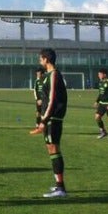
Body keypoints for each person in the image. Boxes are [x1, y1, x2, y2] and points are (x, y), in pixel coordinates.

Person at [29, 48, 69, 198]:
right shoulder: (47, 76)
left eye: (41, 58)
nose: (40, 61)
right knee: (52, 150)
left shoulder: (54, 75)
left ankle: (61, 188)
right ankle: (59, 185)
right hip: (49, 118)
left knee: (54, 149)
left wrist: (44, 120)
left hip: (53, 119)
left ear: (46, 59)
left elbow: (52, 100)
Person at [94, 69, 108, 140]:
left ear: (104, 74)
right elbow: (100, 93)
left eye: (100, 74)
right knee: (97, 117)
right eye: (98, 74)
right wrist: (97, 101)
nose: (99, 76)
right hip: (101, 104)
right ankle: (103, 132)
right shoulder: (100, 82)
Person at [32, 67, 45, 132]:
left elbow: (47, 91)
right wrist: (37, 99)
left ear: (42, 74)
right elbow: (35, 91)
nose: (37, 75)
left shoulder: (45, 81)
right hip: (38, 101)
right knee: (38, 113)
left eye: (38, 74)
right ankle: (37, 126)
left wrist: (43, 100)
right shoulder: (36, 81)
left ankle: (43, 127)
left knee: (44, 114)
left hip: (45, 101)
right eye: (37, 74)